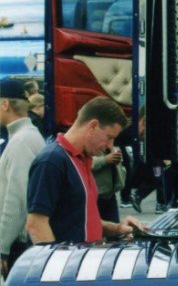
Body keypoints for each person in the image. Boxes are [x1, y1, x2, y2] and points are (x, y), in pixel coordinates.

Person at [26, 96, 144, 246]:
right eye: (109, 137)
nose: (110, 146)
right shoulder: (51, 162)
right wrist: (57, 260)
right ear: (93, 126)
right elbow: (36, 225)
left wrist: (118, 228)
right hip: (69, 260)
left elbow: (81, 221)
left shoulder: (82, 159)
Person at [0, 78, 46, 277]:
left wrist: (2, 247)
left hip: (19, 244)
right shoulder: (26, 135)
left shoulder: (21, 142)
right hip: (20, 242)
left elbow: (16, 201)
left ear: (5, 104)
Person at [92, 144, 127, 223]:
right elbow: (87, 163)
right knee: (96, 226)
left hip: (110, 194)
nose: (110, 142)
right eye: (109, 138)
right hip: (96, 195)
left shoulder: (111, 145)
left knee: (115, 226)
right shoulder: (90, 143)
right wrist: (105, 160)